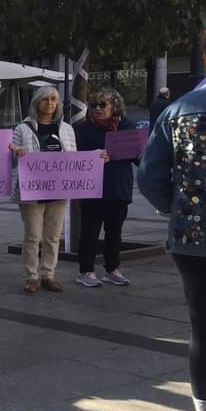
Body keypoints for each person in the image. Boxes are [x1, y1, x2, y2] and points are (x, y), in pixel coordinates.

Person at [138, 17, 206, 411]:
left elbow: (150, 176)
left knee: (205, 330)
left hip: (194, 239)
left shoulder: (180, 109)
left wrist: (180, 208)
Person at [12, 85, 77, 294]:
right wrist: (17, 153)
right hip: (32, 191)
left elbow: (74, 157)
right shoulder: (22, 129)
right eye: (45, 99)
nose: (49, 104)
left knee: (53, 236)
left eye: (53, 100)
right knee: (32, 236)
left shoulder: (66, 128)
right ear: (36, 103)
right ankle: (32, 276)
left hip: (58, 189)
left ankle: (49, 274)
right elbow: (11, 158)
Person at [75, 87, 133, 287]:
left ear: (115, 106)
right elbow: (75, 158)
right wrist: (94, 156)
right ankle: (86, 271)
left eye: (102, 104)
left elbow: (138, 159)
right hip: (93, 189)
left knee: (114, 232)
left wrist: (140, 154)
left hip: (118, 187)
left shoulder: (126, 127)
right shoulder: (83, 129)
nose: (97, 109)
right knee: (90, 232)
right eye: (94, 105)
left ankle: (112, 269)